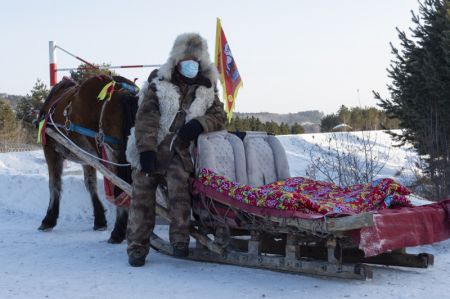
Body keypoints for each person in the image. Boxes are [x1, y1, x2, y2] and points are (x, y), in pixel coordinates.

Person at [125, 33, 227, 267]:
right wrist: (146, 150)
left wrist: (198, 124)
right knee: (142, 196)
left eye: (195, 60)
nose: (191, 64)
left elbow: (219, 115)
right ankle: (137, 248)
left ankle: (180, 241)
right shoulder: (159, 83)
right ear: (177, 61)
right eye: (186, 60)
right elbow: (146, 118)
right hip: (151, 146)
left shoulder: (207, 88)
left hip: (179, 150)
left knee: (179, 193)